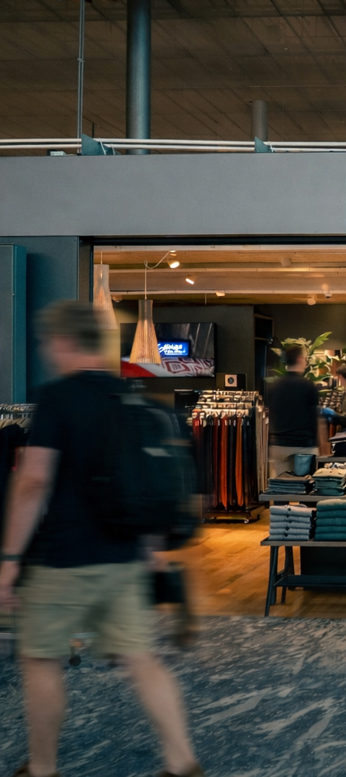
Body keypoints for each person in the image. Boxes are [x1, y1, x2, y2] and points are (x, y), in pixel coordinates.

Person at [0, 301, 203, 777]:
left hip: (62, 559)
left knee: (40, 658)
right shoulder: (132, 398)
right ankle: (181, 760)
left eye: (49, 342)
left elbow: (32, 483)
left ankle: (44, 766)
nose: (48, 350)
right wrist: (151, 551)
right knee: (143, 660)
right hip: (125, 555)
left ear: (67, 343)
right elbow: (147, 483)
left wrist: (9, 559)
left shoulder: (58, 398)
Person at [267, 346, 320, 476]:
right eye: (305, 359)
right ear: (300, 359)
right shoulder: (307, 385)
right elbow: (314, 418)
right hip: (304, 444)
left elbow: (270, 415)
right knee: (305, 487)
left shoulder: (275, 386)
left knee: (283, 487)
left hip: (279, 445)